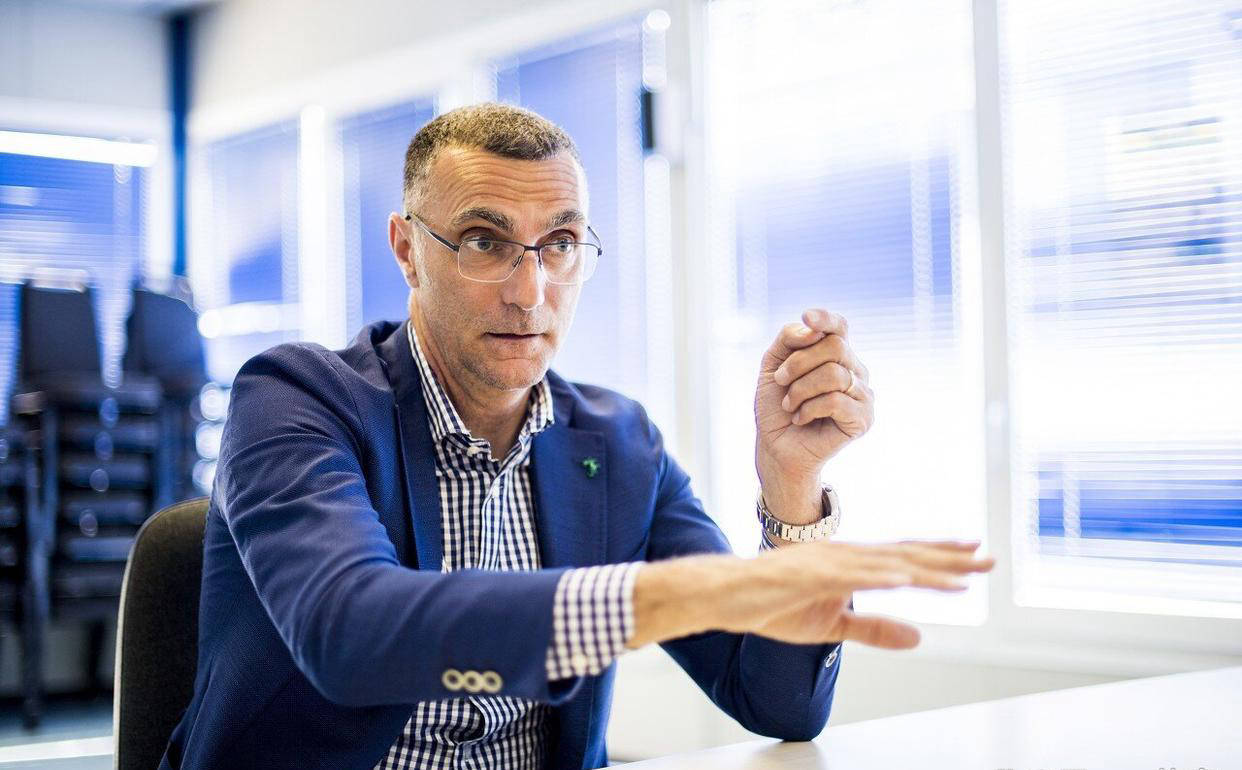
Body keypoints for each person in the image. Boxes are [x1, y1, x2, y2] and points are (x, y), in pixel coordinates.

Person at [161, 103, 994, 770]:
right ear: (408, 250)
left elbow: (775, 703)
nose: (530, 291)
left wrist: (791, 485)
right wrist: (666, 596)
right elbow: (352, 634)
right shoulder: (296, 397)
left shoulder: (620, 445)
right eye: (484, 242)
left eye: (559, 244)